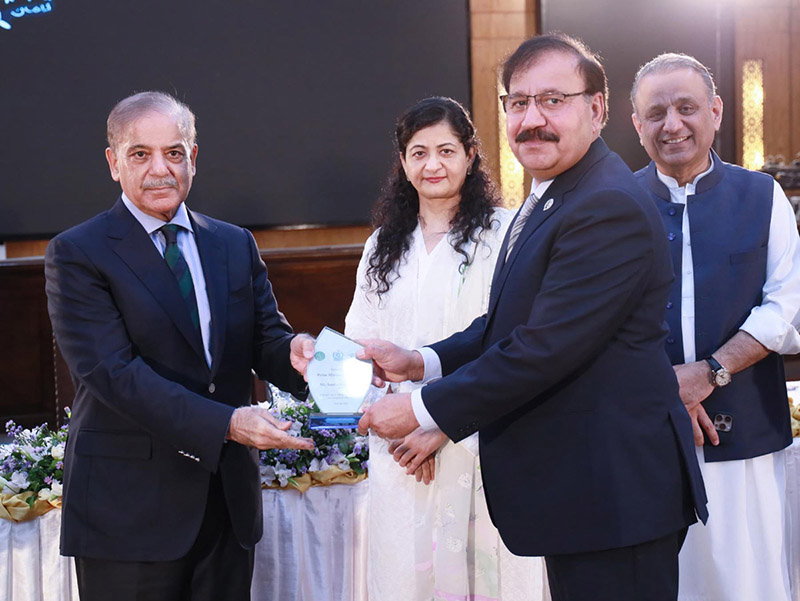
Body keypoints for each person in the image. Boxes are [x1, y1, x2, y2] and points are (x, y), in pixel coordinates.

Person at [354, 34, 708, 601]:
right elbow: (509, 323)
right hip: (582, 491)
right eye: (518, 103)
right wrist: (421, 359)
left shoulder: (604, 203)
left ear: (596, 109)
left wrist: (421, 406)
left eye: (552, 100)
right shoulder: (552, 194)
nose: (532, 119)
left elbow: (544, 348)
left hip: (615, 495)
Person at [44, 91, 316, 601]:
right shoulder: (77, 253)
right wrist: (229, 424)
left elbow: (266, 340)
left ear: (193, 156)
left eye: (174, 152)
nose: (160, 170)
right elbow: (114, 375)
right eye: (140, 154)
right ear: (113, 163)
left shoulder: (233, 243)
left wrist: (298, 352)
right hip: (127, 516)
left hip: (225, 509)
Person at [345, 96, 544, 601]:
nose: (432, 165)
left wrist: (438, 423)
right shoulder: (381, 246)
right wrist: (387, 415)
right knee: (405, 577)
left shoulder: (506, 234)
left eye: (446, 150)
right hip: (398, 449)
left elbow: (510, 343)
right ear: (403, 162)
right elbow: (359, 347)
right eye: (418, 152)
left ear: (472, 155)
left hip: (481, 440)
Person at [631, 53, 800, 601]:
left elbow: (786, 306)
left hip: (746, 434)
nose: (671, 124)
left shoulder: (761, 196)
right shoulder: (616, 205)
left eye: (686, 108)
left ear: (717, 111)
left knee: (746, 583)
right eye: (655, 113)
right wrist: (665, 386)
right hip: (643, 440)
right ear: (636, 124)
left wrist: (709, 372)